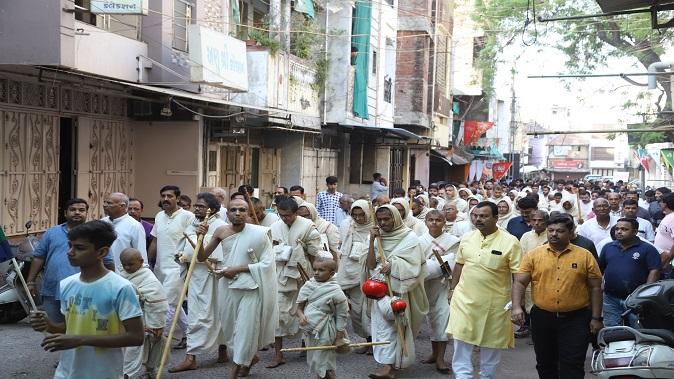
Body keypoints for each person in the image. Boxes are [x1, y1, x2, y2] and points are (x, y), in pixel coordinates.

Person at [29, 221, 144, 378]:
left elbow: (136, 337)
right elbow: (69, 328)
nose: (70, 252)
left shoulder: (121, 288)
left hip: (103, 373)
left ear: (102, 252)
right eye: (70, 246)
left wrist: (81, 340)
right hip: (66, 372)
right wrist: (49, 325)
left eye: (79, 248)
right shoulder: (67, 284)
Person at [512, 214, 603, 379]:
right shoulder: (534, 255)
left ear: (570, 232)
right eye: (551, 230)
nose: (554, 234)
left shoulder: (584, 255)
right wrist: (517, 307)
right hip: (542, 317)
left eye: (560, 231)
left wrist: (596, 317)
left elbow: (596, 287)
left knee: (573, 363)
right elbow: (519, 282)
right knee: (545, 362)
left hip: (576, 318)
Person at [196, 198, 278, 379]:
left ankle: (233, 370)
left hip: (251, 287)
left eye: (242, 210)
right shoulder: (220, 231)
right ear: (227, 213)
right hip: (227, 285)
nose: (238, 213)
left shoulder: (259, 233)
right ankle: (250, 358)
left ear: (248, 213)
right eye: (233, 210)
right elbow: (202, 257)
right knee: (231, 327)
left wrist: (238, 269)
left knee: (245, 328)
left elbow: (267, 263)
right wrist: (199, 236)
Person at [446, 201, 521, 379]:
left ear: (496, 218)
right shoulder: (467, 237)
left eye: (484, 216)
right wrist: (452, 289)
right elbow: (459, 265)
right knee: (461, 342)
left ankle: (487, 376)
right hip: (464, 300)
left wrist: (517, 304)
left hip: (494, 305)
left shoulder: (510, 242)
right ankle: (462, 376)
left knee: (491, 345)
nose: (478, 219)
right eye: (476, 215)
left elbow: (518, 275)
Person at [27, 198, 114, 323]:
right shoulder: (52, 232)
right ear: (65, 213)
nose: (77, 212)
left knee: (79, 328)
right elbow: (39, 257)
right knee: (54, 330)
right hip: (53, 291)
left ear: (86, 213)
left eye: (81, 210)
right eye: (73, 210)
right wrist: (30, 281)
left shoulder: (95, 234)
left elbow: (108, 261)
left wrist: (109, 286)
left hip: (84, 292)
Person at [366, 205, 428, 379]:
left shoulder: (409, 238)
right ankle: (387, 366)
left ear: (396, 218)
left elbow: (415, 266)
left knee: (397, 326)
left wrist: (394, 265)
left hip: (401, 290)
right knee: (382, 328)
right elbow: (370, 264)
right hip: (380, 289)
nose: (384, 223)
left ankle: (389, 367)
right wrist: (371, 240)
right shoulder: (377, 236)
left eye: (387, 219)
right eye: (380, 220)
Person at [169, 193, 228, 372]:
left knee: (218, 314)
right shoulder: (192, 223)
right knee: (196, 315)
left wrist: (202, 255)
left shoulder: (220, 226)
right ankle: (191, 357)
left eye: (201, 206)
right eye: (196, 206)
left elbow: (221, 254)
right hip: (195, 278)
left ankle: (223, 351)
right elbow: (184, 245)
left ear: (213, 209)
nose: (196, 209)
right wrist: (181, 256)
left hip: (213, 278)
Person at [269, 197, 322, 368]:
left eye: (288, 215)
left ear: (296, 212)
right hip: (280, 275)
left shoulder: (308, 227)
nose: (285, 218)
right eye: (282, 215)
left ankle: (305, 348)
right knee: (277, 315)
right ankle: (278, 355)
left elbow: (315, 253)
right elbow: (268, 249)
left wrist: (316, 277)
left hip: (303, 275)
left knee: (306, 311)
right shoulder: (274, 227)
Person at [147, 185, 194, 349]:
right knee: (175, 305)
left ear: (178, 198)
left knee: (167, 305)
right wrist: (148, 264)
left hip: (177, 268)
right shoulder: (159, 216)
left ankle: (158, 342)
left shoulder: (188, 216)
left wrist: (187, 263)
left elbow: (192, 241)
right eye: (163, 196)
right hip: (160, 268)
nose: (166, 199)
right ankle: (191, 336)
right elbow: (154, 240)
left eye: (170, 196)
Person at [599, 218, 660, 327]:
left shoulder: (647, 249)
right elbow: (600, 269)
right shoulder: (608, 247)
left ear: (635, 232)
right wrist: (601, 283)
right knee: (612, 330)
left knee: (638, 331)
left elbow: (654, 270)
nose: (619, 231)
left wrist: (645, 295)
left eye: (624, 229)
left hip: (636, 300)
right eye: (617, 229)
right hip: (611, 298)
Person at [296, 259, 349, 379]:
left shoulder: (336, 290)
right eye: (315, 269)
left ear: (331, 273)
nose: (316, 273)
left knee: (323, 363)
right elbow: (299, 309)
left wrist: (339, 337)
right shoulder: (308, 285)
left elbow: (342, 315)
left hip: (327, 330)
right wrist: (301, 316)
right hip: (310, 331)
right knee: (317, 362)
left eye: (321, 270)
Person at [120, 248, 168, 379]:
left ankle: (150, 370)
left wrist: (156, 324)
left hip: (147, 319)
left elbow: (157, 301)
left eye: (130, 264)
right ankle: (128, 374)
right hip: (125, 319)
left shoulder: (149, 278)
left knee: (152, 344)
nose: (127, 267)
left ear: (141, 261)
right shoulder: (121, 275)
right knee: (130, 349)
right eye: (124, 264)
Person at [419, 210, 458, 373]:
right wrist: (431, 267)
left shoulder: (454, 241)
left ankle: (441, 358)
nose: (434, 223)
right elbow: (415, 264)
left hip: (444, 286)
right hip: (423, 287)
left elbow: (453, 263)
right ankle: (434, 354)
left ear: (444, 222)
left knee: (442, 320)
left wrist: (430, 266)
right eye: (431, 220)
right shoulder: (418, 241)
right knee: (431, 321)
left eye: (438, 220)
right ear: (426, 222)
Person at [337, 200, 373, 344]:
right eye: (355, 215)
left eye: (361, 215)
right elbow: (342, 249)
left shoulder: (375, 229)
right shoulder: (347, 225)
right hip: (347, 273)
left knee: (366, 311)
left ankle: (372, 341)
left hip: (365, 275)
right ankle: (365, 338)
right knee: (356, 313)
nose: (358, 218)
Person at [516, 210, 549, 338]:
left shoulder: (550, 234)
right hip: (529, 277)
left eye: (540, 220)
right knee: (531, 306)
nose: (537, 223)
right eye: (534, 220)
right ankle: (534, 332)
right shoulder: (526, 236)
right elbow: (521, 256)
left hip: (547, 277)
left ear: (546, 221)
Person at [101, 192, 148, 271]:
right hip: (101, 273)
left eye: (109, 203)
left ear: (122, 206)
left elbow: (141, 255)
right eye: (105, 202)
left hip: (124, 274)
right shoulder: (101, 223)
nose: (105, 205)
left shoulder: (134, 226)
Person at [654, 192, 674, 276]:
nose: (659, 203)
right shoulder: (669, 216)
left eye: (661, 201)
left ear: (665, 203)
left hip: (669, 261)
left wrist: (668, 260)